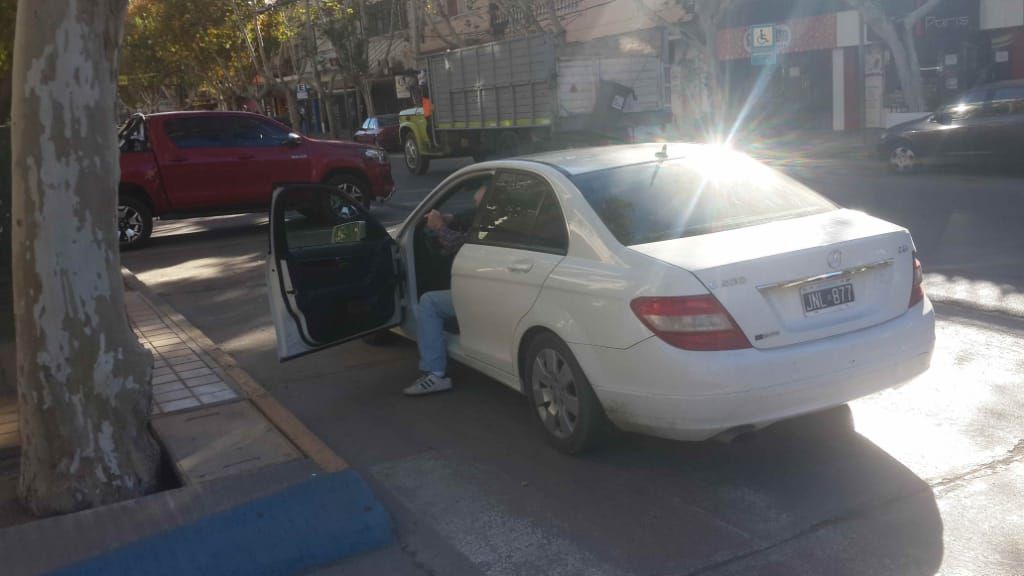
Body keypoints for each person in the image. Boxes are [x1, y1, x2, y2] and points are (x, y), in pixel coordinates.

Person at [404, 183, 487, 396]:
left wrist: (440, 226)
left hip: (484, 292)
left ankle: (435, 373)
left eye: (479, 205)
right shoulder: (511, 218)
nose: (476, 209)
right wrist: (453, 220)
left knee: (429, 302)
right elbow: (472, 223)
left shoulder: (489, 225)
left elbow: (459, 245)